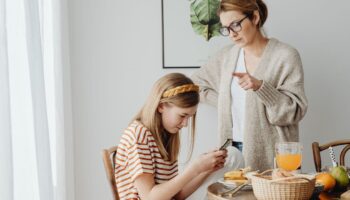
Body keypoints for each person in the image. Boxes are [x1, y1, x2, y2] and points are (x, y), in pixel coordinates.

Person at [191, 0, 308, 171]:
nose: (231, 34)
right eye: (226, 28)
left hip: (274, 154)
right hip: (233, 151)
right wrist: (226, 102)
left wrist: (261, 87)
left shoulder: (285, 56)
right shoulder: (227, 57)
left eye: (235, 25)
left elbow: (293, 112)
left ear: (255, 17)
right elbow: (195, 84)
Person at [114, 73, 227, 200]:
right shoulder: (139, 135)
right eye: (182, 115)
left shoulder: (165, 136)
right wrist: (195, 168)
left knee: (233, 156)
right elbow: (149, 197)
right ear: (161, 106)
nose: (185, 124)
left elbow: (176, 195)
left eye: (189, 117)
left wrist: (205, 170)